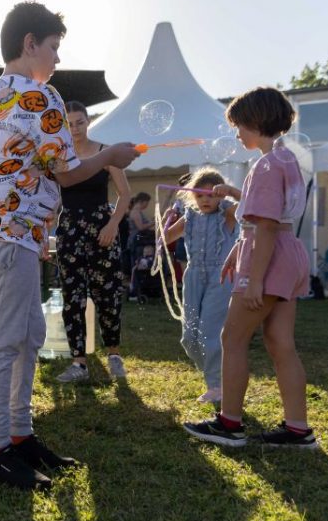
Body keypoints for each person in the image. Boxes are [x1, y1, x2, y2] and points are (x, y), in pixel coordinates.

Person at [0, 2, 140, 490]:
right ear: (30, 44)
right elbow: (67, 171)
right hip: (9, 234)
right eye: (55, 47)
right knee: (7, 340)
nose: (58, 59)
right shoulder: (40, 95)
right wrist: (110, 156)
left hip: (2, 232)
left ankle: (20, 437)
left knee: (27, 336)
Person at [184, 87, 316, 449]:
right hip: (289, 254)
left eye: (239, 125)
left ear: (256, 121)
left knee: (232, 338)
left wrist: (255, 280)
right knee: (281, 343)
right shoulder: (286, 159)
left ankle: (229, 424)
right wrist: (236, 250)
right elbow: (268, 218)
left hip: (268, 257)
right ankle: (298, 429)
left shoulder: (266, 166)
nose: (237, 133)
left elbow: (267, 226)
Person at [54, 101, 132, 383]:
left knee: (108, 294)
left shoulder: (105, 152)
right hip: (69, 229)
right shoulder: (59, 156)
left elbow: (125, 194)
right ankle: (79, 363)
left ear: (88, 122)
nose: (75, 128)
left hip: (101, 228)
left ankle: (114, 355)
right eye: (70, 123)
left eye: (80, 122)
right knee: (72, 296)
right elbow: (53, 197)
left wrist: (113, 224)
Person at [162, 167, 238, 404]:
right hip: (193, 276)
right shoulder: (190, 217)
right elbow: (164, 239)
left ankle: (216, 385)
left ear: (221, 196)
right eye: (200, 195)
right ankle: (219, 375)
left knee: (209, 332)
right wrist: (165, 220)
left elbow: (251, 207)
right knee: (189, 337)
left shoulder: (228, 214)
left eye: (212, 195)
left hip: (220, 277)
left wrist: (231, 192)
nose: (206, 200)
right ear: (192, 196)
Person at [127, 192, 153, 301]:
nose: (147, 205)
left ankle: (140, 290)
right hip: (136, 243)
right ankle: (134, 292)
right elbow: (140, 227)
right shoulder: (135, 212)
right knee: (137, 267)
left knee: (140, 267)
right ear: (142, 201)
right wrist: (153, 222)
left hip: (139, 242)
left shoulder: (139, 212)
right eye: (147, 203)